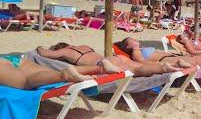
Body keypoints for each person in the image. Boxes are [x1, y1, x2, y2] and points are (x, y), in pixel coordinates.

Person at [36, 43, 187, 77]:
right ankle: (172, 64)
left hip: (105, 63)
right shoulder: (83, 46)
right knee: (139, 66)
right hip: (114, 57)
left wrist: (40, 48)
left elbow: (47, 54)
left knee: (136, 71)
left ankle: (165, 67)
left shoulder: (67, 51)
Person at [115, 38, 201, 71]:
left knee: (200, 59)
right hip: (167, 60)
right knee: (198, 62)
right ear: (128, 46)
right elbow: (141, 63)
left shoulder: (139, 48)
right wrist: (161, 65)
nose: (135, 40)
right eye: (131, 40)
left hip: (171, 56)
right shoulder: (136, 52)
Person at [0, 53, 107, 89]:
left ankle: (64, 75)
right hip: (15, 57)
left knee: (26, 81)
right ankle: (101, 68)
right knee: (49, 74)